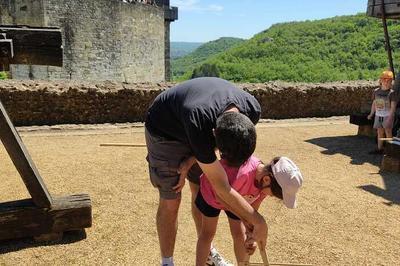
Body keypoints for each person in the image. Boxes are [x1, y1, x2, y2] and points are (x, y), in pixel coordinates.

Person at [145, 77, 267, 266]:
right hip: (166, 130)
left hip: (198, 129)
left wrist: (192, 159)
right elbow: (221, 187)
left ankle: (208, 253)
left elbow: (216, 157)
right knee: (172, 198)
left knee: (199, 191)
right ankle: (167, 262)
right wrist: (258, 221)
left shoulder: (252, 109)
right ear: (214, 135)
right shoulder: (199, 120)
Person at [195, 155, 303, 265]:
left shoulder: (263, 186)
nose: (271, 196)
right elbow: (221, 195)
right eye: (273, 194)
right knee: (207, 234)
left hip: (238, 198)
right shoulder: (243, 174)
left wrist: (251, 235)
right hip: (212, 193)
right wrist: (243, 217)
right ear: (267, 179)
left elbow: (252, 213)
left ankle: (242, 263)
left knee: (239, 233)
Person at [367, 70, 397, 154]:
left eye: (389, 80)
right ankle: (379, 149)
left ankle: (390, 151)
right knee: (379, 132)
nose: (386, 82)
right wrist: (371, 113)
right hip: (378, 115)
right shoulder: (376, 91)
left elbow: (393, 107)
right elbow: (374, 103)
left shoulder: (392, 93)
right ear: (380, 80)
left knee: (388, 132)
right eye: (384, 80)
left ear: (391, 82)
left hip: (387, 116)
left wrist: (390, 119)